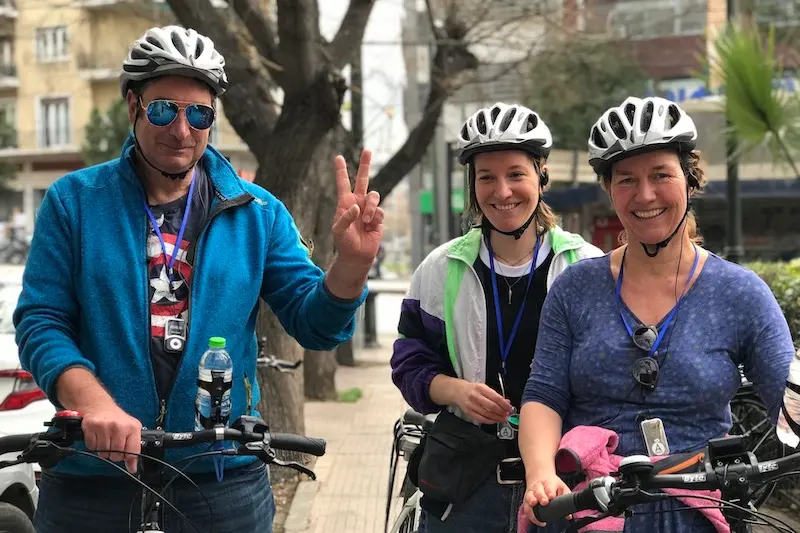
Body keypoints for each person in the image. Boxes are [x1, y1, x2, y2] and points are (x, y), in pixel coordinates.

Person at [14, 25, 384, 533]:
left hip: (222, 480)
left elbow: (315, 323)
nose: (182, 130)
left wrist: (352, 265)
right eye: (164, 109)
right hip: (92, 478)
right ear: (133, 107)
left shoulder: (258, 213)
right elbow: (41, 322)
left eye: (199, 113)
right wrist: (94, 404)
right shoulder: (74, 202)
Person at [518, 96, 796, 533]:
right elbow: (544, 394)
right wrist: (540, 473)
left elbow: (788, 392)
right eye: (626, 180)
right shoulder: (575, 288)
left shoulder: (740, 293)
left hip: (700, 507)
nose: (644, 194)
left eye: (661, 175)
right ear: (609, 189)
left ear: (690, 179)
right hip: (592, 508)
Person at [390, 102, 603, 533]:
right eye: (486, 177)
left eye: (516, 174)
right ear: (472, 185)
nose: (502, 191)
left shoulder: (586, 267)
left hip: (562, 484)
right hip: (465, 488)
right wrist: (454, 391)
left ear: (541, 176)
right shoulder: (441, 268)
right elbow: (407, 361)